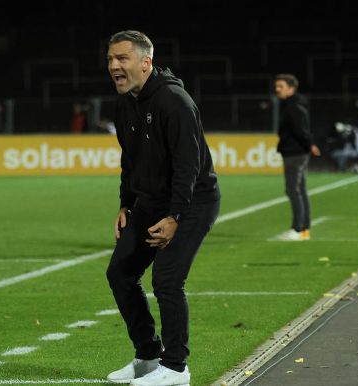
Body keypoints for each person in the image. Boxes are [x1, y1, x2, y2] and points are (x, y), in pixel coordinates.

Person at [105, 30, 220, 386]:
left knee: (167, 280)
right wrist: (126, 203)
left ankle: (175, 369)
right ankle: (147, 357)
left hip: (192, 202)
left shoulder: (174, 101)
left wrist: (175, 217)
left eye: (122, 58)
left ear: (146, 62)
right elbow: (131, 159)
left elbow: (189, 165)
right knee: (120, 274)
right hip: (150, 201)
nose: (114, 66)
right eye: (110, 59)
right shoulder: (124, 103)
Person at [274, 74, 320, 241]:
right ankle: (304, 229)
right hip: (297, 151)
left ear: (291, 88)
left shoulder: (293, 107)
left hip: (295, 152)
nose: (277, 89)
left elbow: (301, 129)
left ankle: (298, 229)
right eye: (277, 86)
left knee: (293, 189)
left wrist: (310, 144)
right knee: (299, 189)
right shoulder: (293, 104)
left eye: (281, 86)